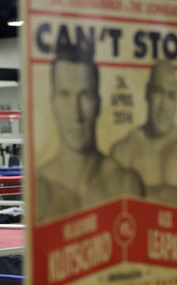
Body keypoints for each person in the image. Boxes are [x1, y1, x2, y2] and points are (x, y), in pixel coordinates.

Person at [36, 39, 144, 222]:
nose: (76, 112)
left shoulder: (124, 183)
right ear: (53, 102)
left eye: (85, 95)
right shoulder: (40, 187)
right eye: (65, 95)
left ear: (98, 102)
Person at [110, 60, 177, 209]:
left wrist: (143, 193)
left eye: (171, 96)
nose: (164, 106)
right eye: (159, 92)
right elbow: (111, 203)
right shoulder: (124, 150)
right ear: (147, 93)